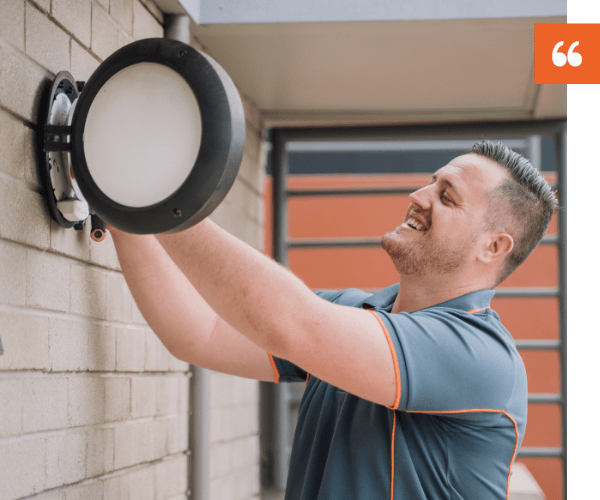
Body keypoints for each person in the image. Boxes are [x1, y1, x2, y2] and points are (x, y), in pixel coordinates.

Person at [108, 140, 558, 500]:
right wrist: (119, 209)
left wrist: (150, 191)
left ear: (493, 248)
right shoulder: (354, 314)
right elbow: (201, 334)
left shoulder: (480, 356)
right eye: (430, 183)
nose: (418, 197)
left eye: (447, 197)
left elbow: (290, 323)